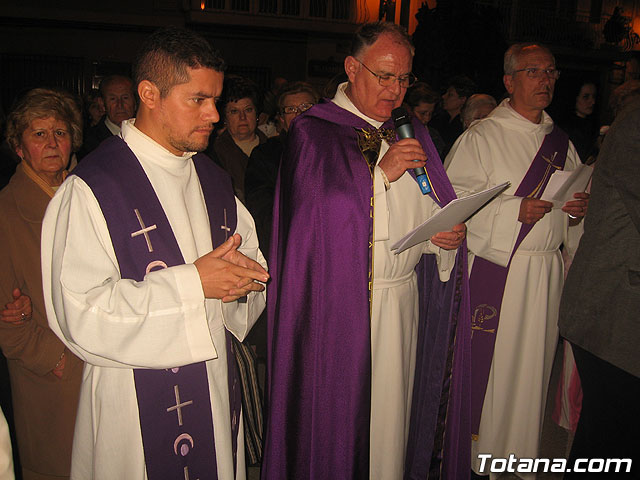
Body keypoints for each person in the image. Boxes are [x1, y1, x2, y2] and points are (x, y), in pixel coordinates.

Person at [41, 27, 269, 480]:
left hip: (215, 385)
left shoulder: (213, 180)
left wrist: (242, 285)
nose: (214, 115)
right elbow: (78, 311)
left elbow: (252, 274)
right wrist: (193, 285)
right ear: (149, 93)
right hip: (133, 401)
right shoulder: (93, 188)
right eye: (198, 100)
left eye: (216, 100)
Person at [262, 21, 471, 480]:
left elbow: (427, 204)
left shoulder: (408, 128)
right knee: (347, 422)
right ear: (352, 68)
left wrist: (442, 238)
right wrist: (380, 174)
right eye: (385, 76)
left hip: (402, 300)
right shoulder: (314, 131)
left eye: (404, 79)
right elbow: (315, 229)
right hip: (344, 309)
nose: (396, 92)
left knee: (391, 425)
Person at [445, 43, 588, 479]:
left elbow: (573, 198)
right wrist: (511, 210)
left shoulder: (561, 143)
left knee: (531, 372)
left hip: (544, 273)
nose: (545, 80)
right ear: (509, 81)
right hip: (497, 269)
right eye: (533, 71)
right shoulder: (482, 136)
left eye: (550, 72)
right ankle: (477, 457)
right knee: (496, 371)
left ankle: (517, 459)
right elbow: (453, 201)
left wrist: (577, 210)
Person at [0, 88, 84, 480]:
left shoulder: (86, 194)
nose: (52, 143)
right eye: (39, 134)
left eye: (61, 132)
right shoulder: (6, 211)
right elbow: (7, 322)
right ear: (19, 147)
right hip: (54, 379)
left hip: (104, 360)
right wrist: (57, 360)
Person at [558, 99, 640, 479]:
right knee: (611, 443)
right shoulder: (637, 122)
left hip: (620, 312)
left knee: (607, 440)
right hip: (613, 312)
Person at [212, 76, 267, 204]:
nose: (242, 118)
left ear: (257, 114)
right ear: (225, 117)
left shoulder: (273, 149)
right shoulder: (215, 153)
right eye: (234, 111)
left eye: (248, 110)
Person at [78, 74, 136, 158]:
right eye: (113, 99)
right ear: (102, 103)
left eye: (125, 98)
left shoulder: (148, 135)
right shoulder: (88, 143)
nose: (120, 105)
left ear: (135, 102)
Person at [430, 75, 476, 154]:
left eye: (450, 95)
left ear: (462, 99)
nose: (444, 96)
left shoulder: (462, 126)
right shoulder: (440, 120)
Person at [404, 81, 447, 159]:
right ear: (409, 110)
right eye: (422, 113)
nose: (427, 119)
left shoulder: (433, 134)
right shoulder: (397, 134)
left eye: (430, 113)